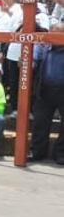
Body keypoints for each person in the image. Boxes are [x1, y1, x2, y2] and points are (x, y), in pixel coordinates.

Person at [29, 20, 64, 164]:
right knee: (40, 123)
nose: (55, 36)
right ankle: (37, 152)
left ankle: (61, 154)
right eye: (53, 33)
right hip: (44, 90)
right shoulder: (42, 47)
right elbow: (33, 60)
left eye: (59, 33)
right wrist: (28, 63)